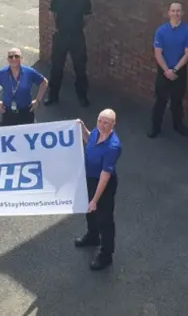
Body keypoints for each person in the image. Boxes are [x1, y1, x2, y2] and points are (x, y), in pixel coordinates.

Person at [75, 109, 122, 271]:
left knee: (105, 219)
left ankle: (106, 255)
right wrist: (82, 128)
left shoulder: (113, 146)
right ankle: (92, 236)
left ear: (113, 125)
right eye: (100, 121)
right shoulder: (96, 132)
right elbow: (89, 140)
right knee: (88, 211)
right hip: (89, 178)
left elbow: (105, 175)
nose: (102, 125)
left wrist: (95, 199)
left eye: (106, 123)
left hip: (103, 184)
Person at [148, 2, 188, 138]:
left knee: (177, 101)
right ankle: (155, 127)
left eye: (178, 11)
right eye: (173, 11)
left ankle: (178, 125)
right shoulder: (161, 31)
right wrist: (167, 70)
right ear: (169, 13)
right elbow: (158, 53)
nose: (176, 13)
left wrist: (174, 70)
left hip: (179, 71)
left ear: (182, 13)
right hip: (163, 71)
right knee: (160, 101)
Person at [45, 0, 92, 108]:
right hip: (61, 36)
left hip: (77, 37)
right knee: (56, 68)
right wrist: (58, 28)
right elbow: (52, 13)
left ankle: (82, 96)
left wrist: (80, 27)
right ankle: (53, 96)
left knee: (80, 68)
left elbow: (87, 17)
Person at [0, 48, 48, 126]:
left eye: (16, 56)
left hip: (26, 111)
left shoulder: (29, 72)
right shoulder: (2, 73)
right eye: (11, 57)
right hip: (8, 111)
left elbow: (44, 82)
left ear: (21, 59)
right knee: (7, 135)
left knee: (27, 134)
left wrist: (38, 100)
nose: (13, 58)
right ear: (8, 59)